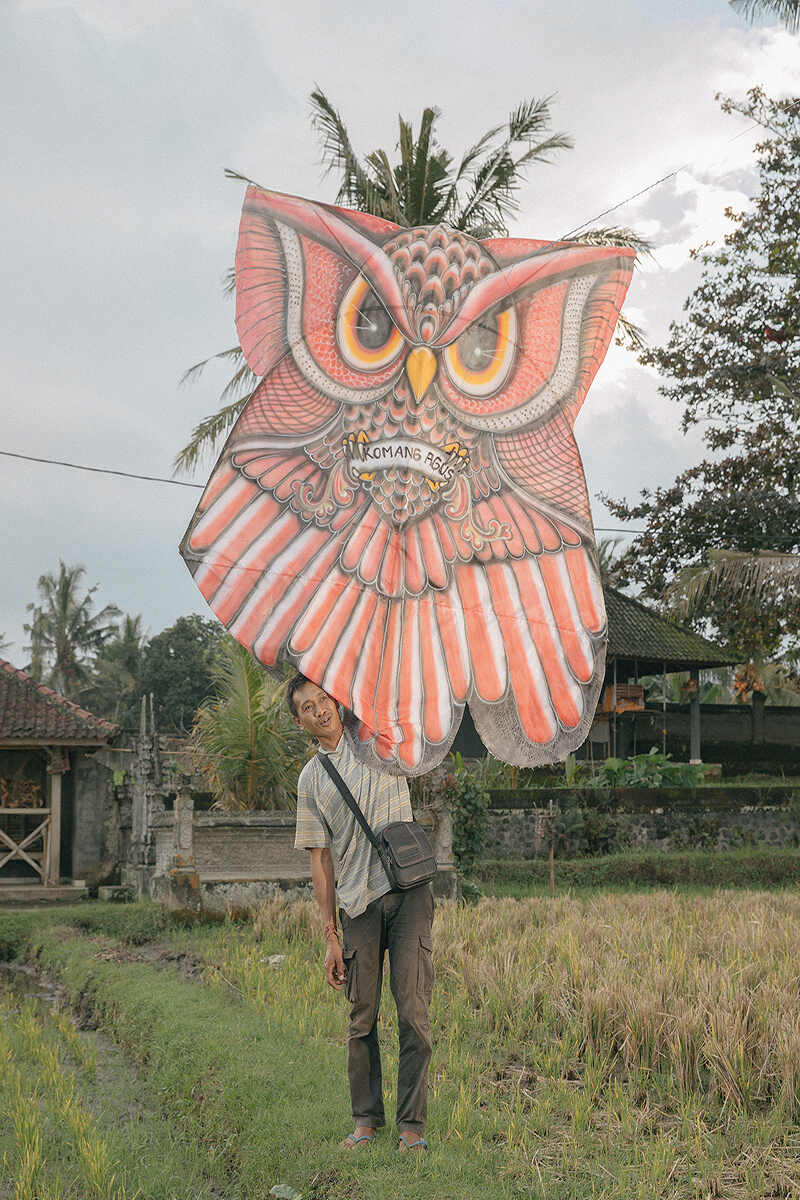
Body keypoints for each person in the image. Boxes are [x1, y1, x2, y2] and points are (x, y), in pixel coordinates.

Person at [288, 673, 434, 1153]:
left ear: (336, 697)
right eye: (307, 708)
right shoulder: (311, 780)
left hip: (409, 892)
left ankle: (411, 1128)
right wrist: (329, 934)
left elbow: (389, 674)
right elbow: (320, 860)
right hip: (357, 905)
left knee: (413, 1013)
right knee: (362, 1017)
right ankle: (366, 1121)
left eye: (323, 699)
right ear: (300, 722)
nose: (319, 710)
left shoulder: (376, 732)